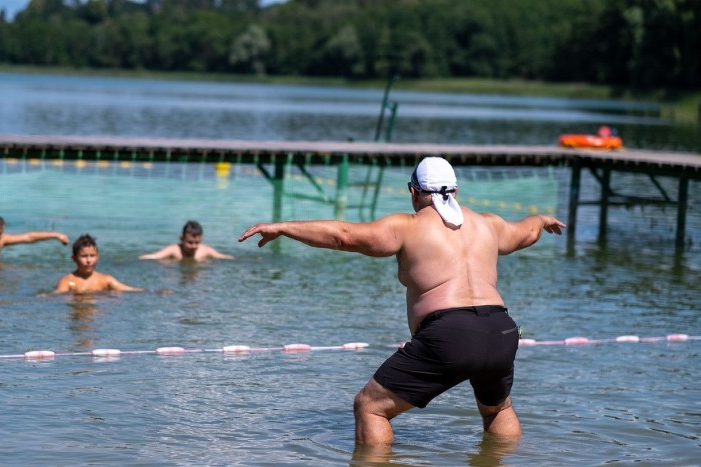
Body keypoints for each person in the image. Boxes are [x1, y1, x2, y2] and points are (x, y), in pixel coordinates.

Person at [239, 157, 565, 445]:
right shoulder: (489, 224)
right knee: (498, 409)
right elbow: (526, 231)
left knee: (370, 407)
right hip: (502, 331)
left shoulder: (407, 227)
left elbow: (344, 236)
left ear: (414, 192)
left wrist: (282, 227)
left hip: (450, 334)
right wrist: (542, 220)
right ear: (455, 191)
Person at [54, 234, 144, 294]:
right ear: (74, 259)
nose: (89, 260)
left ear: (97, 257)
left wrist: (152, 292)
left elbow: (128, 290)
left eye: (92, 256)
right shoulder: (67, 281)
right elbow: (56, 296)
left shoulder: (105, 280)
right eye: (84, 256)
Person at [139, 220, 233, 261]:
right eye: (190, 242)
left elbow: (222, 257)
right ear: (182, 239)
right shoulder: (174, 249)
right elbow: (156, 256)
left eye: (197, 243)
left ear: (202, 239)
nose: (194, 246)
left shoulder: (205, 250)